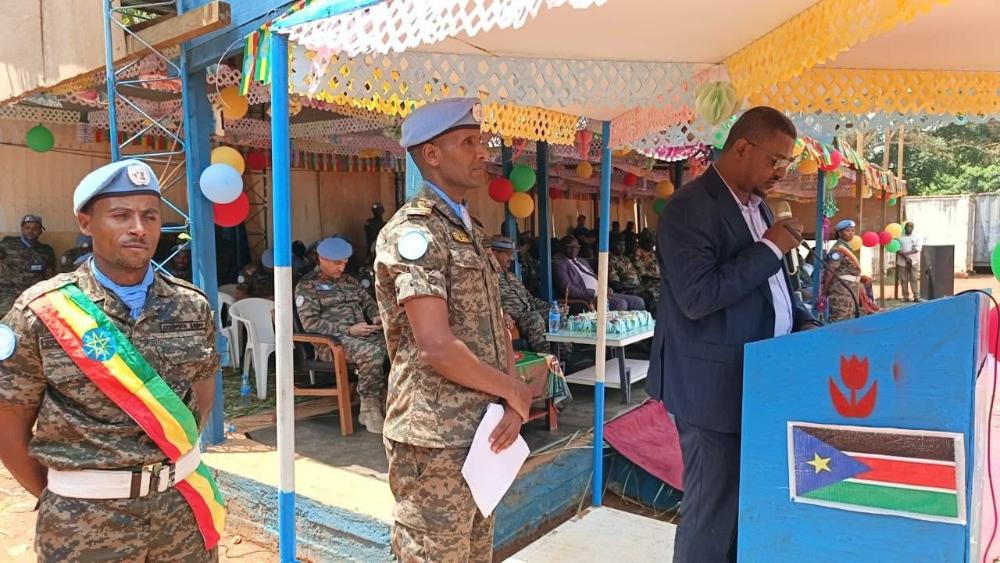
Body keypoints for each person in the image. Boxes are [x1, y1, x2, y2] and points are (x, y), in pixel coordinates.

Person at [0, 159, 221, 561]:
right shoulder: (41, 313)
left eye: (150, 216)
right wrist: (68, 496)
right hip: (83, 523)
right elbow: (9, 428)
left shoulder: (192, 306)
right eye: (121, 215)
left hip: (181, 513)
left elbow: (202, 401)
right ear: (86, 223)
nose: (139, 228)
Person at [646, 107, 819, 563]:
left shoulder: (758, 205)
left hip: (757, 381)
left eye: (786, 163)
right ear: (742, 148)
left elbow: (774, 283)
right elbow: (699, 296)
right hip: (711, 390)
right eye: (775, 160)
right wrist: (770, 246)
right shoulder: (689, 209)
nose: (781, 172)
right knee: (710, 513)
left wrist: (801, 320)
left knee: (742, 508)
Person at [374, 97, 532, 562]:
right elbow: (436, 346)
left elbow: (496, 321)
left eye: (480, 141)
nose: (482, 152)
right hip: (434, 439)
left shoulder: (468, 228)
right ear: (432, 155)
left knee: (477, 553)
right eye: (467, 142)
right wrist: (513, 390)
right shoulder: (415, 233)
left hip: (482, 431)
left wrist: (511, 400)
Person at [295, 237, 387, 433]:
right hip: (331, 343)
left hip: (362, 335)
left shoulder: (349, 281)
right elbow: (310, 324)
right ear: (322, 258)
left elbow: (368, 302)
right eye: (337, 263)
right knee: (371, 353)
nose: (342, 268)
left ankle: (389, 400)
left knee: (397, 346)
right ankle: (369, 408)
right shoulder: (307, 285)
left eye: (345, 263)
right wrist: (349, 330)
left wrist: (376, 316)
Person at [553, 235, 645, 311]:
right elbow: (568, 289)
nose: (573, 250)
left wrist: (605, 288)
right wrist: (592, 293)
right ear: (562, 248)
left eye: (576, 247)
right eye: (569, 248)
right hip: (589, 298)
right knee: (621, 304)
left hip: (602, 292)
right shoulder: (560, 264)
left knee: (639, 302)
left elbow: (594, 277)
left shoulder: (581, 261)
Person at [491, 235, 549, 353]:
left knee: (557, 314)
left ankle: (564, 359)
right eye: (507, 254)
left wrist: (552, 307)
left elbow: (529, 298)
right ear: (494, 253)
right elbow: (487, 302)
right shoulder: (488, 277)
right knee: (535, 319)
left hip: (528, 312)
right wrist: (502, 314)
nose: (511, 258)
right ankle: (546, 358)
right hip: (514, 319)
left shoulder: (511, 276)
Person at [822, 219, 879, 322]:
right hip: (841, 288)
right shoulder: (838, 249)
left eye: (853, 230)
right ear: (840, 233)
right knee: (840, 317)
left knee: (850, 317)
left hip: (851, 287)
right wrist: (824, 290)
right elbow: (830, 270)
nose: (851, 233)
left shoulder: (846, 247)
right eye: (847, 231)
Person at [0, 214, 56, 317]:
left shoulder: (46, 250)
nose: (30, 231)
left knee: (41, 318)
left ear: (41, 230)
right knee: (5, 316)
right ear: (22, 229)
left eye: (35, 228)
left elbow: (49, 276)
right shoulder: (8, 243)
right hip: (9, 291)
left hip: (34, 293)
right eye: (27, 228)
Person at [630, 230, 661, 312]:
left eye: (653, 242)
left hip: (657, 280)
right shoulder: (638, 253)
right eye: (650, 242)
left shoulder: (653, 253)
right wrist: (658, 277)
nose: (652, 244)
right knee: (656, 292)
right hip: (647, 281)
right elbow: (641, 272)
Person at [896, 221, 922, 302]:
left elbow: (917, 249)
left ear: (913, 228)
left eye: (911, 227)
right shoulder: (899, 237)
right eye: (908, 226)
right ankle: (905, 297)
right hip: (902, 261)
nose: (909, 228)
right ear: (904, 227)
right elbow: (897, 249)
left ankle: (916, 296)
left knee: (914, 279)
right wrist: (905, 257)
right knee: (903, 280)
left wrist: (906, 254)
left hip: (913, 261)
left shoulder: (917, 237)